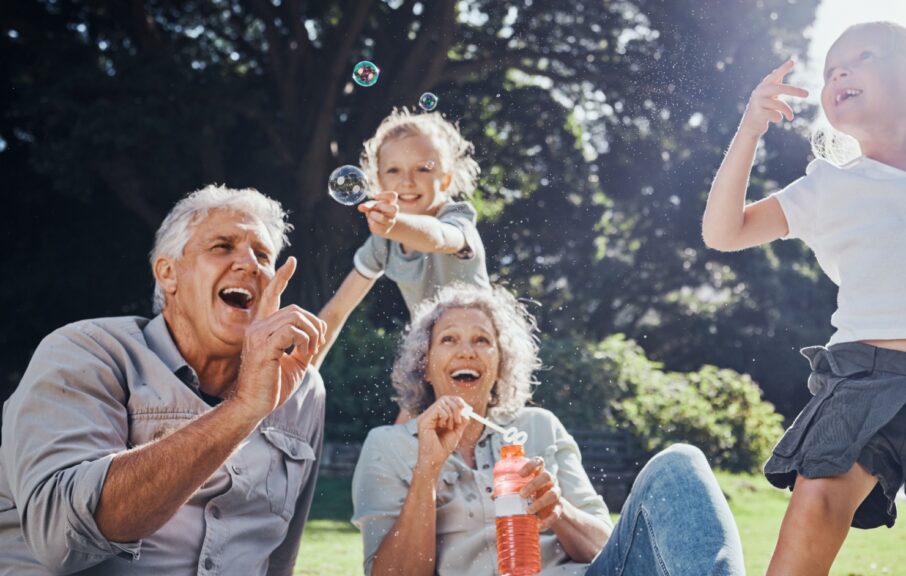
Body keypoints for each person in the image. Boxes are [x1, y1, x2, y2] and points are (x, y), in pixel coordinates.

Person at [702, 21, 906, 575]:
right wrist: (750, 130)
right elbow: (723, 232)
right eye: (829, 71)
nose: (838, 74)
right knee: (817, 502)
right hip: (861, 376)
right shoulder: (826, 185)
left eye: (860, 59)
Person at [0, 185, 328, 575]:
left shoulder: (303, 388)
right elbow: (61, 541)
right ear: (168, 273)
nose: (249, 264)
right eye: (222, 246)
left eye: (262, 255)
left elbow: (277, 559)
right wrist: (242, 410)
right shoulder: (87, 352)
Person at [351, 284, 745, 576]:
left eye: (482, 340)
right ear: (425, 362)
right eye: (448, 339)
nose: (466, 351)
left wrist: (558, 511)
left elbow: (609, 550)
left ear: (501, 365)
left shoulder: (538, 427)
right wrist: (427, 470)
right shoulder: (387, 446)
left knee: (680, 463)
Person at [313, 108, 489, 371]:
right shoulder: (383, 241)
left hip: (480, 350)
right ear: (378, 182)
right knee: (412, 412)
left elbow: (438, 237)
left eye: (422, 169)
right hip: (434, 356)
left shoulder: (457, 218)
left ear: (446, 178)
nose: (407, 181)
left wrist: (396, 225)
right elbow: (336, 311)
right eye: (394, 170)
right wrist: (301, 374)